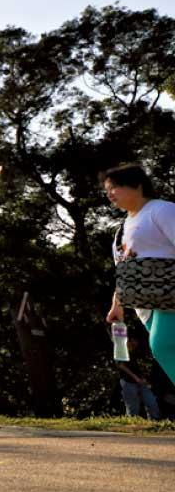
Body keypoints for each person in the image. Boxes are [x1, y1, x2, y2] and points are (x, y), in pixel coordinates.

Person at [104, 163, 175, 382]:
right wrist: (117, 305)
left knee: (162, 346)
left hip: (170, 295)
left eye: (114, 187)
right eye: (107, 189)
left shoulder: (162, 209)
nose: (109, 193)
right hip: (144, 306)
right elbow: (124, 269)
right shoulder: (121, 230)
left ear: (137, 185)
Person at [116, 335, 162, 420]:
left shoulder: (138, 351)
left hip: (142, 382)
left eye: (136, 341)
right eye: (133, 341)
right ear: (128, 341)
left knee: (151, 401)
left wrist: (145, 378)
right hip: (128, 382)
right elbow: (121, 365)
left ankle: (155, 421)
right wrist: (135, 378)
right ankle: (133, 422)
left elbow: (145, 365)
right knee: (133, 406)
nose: (135, 343)